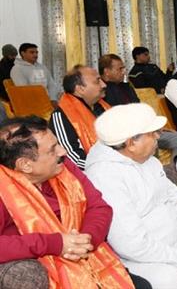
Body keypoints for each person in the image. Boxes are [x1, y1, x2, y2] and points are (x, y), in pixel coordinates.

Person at [86, 103, 177, 289]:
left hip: (176, 243)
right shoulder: (104, 176)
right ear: (131, 143)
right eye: (152, 133)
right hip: (142, 258)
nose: (158, 136)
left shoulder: (149, 160)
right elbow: (131, 244)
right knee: (167, 278)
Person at [0, 116, 142, 288]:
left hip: (89, 257)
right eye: (53, 150)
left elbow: (98, 207)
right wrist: (55, 244)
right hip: (48, 269)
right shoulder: (4, 190)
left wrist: (86, 240)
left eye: (58, 143)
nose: (63, 152)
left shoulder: (63, 167)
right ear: (25, 165)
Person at [99, 54, 177, 159]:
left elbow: (139, 110)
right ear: (107, 71)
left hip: (144, 128)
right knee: (149, 141)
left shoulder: (126, 87)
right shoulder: (102, 92)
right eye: (120, 69)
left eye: (124, 68)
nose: (124, 72)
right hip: (127, 134)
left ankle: (175, 171)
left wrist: (156, 127)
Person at [49, 65, 110, 170]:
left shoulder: (103, 107)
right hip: (90, 174)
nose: (104, 85)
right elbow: (71, 158)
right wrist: (108, 167)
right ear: (80, 89)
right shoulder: (61, 115)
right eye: (97, 81)